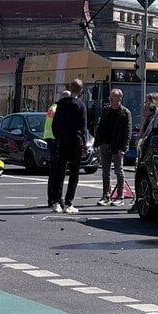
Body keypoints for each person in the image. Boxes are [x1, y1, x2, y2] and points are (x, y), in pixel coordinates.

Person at [48, 80, 88, 214]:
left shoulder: (61, 104)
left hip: (63, 141)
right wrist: (85, 143)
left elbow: (54, 124)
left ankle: (56, 202)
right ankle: (69, 202)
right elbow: (83, 127)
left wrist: (58, 137)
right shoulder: (81, 105)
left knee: (60, 172)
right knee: (74, 173)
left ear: (70, 88)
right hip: (76, 141)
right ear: (81, 91)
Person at [94, 88, 132, 206]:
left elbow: (128, 132)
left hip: (117, 146)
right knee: (105, 171)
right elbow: (100, 127)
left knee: (118, 171)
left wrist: (123, 148)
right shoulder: (106, 110)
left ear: (119, 98)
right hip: (105, 144)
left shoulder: (125, 113)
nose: (110, 99)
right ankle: (106, 195)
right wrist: (97, 143)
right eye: (110, 97)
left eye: (113, 97)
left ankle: (120, 197)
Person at [127, 92, 158, 213]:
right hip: (143, 151)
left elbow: (146, 136)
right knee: (141, 178)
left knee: (145, 178)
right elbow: (140, 136)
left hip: (148, 153)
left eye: (147, 102)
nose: (145, 106)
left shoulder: (155, 119)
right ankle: (140, 201)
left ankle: (142, 202)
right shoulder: (148, 119)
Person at [43, 89, 70, 205]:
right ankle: (55, 198)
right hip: (54, 139)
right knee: (58, 171)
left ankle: (51, 198)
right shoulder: (58, 109)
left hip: (49, 138)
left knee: (54, 170)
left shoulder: (52, 107)